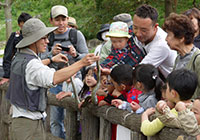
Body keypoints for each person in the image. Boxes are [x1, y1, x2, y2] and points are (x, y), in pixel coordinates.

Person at [5, 18, 99, 140]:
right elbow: (54, 78)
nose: (47, 41)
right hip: (29, 125)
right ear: (33, 40)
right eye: (43, 38)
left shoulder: (19, 57)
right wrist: (81, 63)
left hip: (21, 122)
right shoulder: (32, 64)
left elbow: (33, 68)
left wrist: (51, 60)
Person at [43, 5, 88, 139]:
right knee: (55, 120)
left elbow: (86, 57)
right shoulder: (47, 37)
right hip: (54, 81)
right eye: (57, 20)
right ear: (51, 21)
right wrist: (52, 54)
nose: (61, 23)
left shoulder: (76, 35)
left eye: (64, 19)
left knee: (77, 116)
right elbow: (39, 61)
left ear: (68, 19)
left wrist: (75, 55)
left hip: (75, 81)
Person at [140, 69, 198, 136]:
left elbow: (148, 130)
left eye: (167, 87)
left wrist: (145, 115)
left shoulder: (174, 113)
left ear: (173, 93)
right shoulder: (195, 108)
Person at [133, 4, 177, 79]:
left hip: (172, 83)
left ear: (155, 27)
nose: (138, 33)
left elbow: (139, 71)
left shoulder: (162, 45)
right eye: (135, 27)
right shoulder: (139, 36)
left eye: (144, 30)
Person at [163, 13, 200, 99]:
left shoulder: (198, 59)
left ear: (181, 38)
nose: (166, 39)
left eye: (169, 34)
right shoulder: (179, 58)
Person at [0, 12, 32, 85]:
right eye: (23, 26)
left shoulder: (36, 37)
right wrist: (7, 75)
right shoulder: (15, 37)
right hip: (16, 72)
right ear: (19, 25)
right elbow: (7, 56)